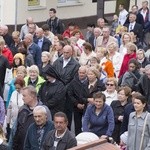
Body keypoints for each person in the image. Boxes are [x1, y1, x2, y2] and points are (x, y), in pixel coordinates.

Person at [10, 85, 52, 150]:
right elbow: (15, 129)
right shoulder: (22, 109)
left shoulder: (44, 110)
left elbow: (50, 130)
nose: (22, 98)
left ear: (32, 96)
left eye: (24, 95)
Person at [68, 66, 89, 135]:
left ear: (86, 73)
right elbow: (70, 94)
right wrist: (77, 104)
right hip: (76, 107)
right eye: (80, 73)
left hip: (87, 106)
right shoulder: (73, 82)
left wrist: (85, 103)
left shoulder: (89, 82)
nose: (81, 74)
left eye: (83, 73)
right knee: (77, 126)